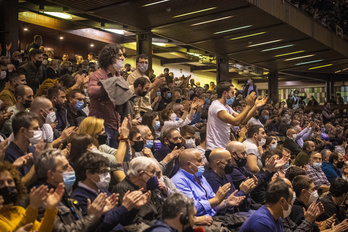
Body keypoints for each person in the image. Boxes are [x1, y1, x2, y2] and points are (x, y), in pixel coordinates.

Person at [34, 149, 113, 231]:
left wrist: (97, 215)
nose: (71, 169)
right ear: (51, 174)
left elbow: (78, 224)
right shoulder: (42, 198)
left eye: (69, 165)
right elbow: (62, 231)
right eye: (65, 167)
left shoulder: (64, 193)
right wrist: (92, 217)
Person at [72, 151, 147, 231]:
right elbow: (98, 228)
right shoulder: (79, 197)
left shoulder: (102, 190)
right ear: (89, 173)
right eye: (103, 172)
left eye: (108, 171)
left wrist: (133, 207)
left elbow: (122, 222)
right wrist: (124, 208)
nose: (107, 175)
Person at [0, 161, 64, 232]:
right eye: (1, 183)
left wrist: (50, 209)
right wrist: (33, 208)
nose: (6, 185)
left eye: (9, 181)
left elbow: (43, 230)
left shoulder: (19, 210)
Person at [206, 82, 265, 154]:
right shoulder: (216, 106)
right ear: (225, 93)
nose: (234, 96)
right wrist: (248, 106)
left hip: (222, 147)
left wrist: (255, 107)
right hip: (215, 149)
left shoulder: (226, 107)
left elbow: (243, 120)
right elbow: (236, 122)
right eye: (232, 93)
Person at [88, 43, 125, 149]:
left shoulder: (119, 76)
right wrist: (108, 86)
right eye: (120, 55)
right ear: (111, 57)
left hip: (116, 125)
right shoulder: (98, 75)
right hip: (102, 126)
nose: (123, 58)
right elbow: (91, 91)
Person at [111, 156, 159, 229]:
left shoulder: (146, 186)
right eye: (151, 175)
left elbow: (159, 209)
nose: (154, 178)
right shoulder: (122, 188)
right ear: (140, 174)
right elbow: (129, 221)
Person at [4, 111, 39, 184]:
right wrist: (37, 163)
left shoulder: (33, 149)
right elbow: (18, 186)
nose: (39, 131)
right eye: (35, 129)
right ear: (23, 131)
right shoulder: (7, 155)